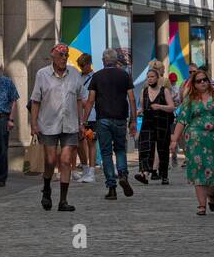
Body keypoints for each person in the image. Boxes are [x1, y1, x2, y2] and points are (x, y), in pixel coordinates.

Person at [30, 42, 84, 212]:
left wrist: (81, 122)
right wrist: (34, 123)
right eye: (61, 55)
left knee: (66, 160)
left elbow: (79, 99)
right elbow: (35, 101)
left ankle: (63, 200)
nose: (64, 58)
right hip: (48, 124)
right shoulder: (42, 74)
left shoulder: (74, 73)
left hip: (70, 124)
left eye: (66, 55)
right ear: (52, 55)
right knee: (50, 161)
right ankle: (46, 189)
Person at [170, 69, 214, 215]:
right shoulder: (190, 99)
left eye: (205, 79)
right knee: (198, 172)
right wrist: (174, 140)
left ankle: (210, 194)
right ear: (194, 84)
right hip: (195, 140)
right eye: (199, 81)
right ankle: (201, 205)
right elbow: (181, 121)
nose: (203, 82)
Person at [85, 48, 138, 200]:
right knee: (120, 150)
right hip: (121, 118)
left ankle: (112, 188)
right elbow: (132, 98)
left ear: (103, 61)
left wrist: (84, 120)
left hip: (103, 119)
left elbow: (90, 100)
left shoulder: (97, 76)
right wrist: (133, 120)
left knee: (106, 153)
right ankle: (123, 175)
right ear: (116, 61)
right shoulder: (124, 75)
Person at [135, 62, 175, 185]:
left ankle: (164, 175)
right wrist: (138, 111)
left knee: (162, 149)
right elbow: (142, 107)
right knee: (145, 148)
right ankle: (145, 174)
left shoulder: (164, 91)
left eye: (152, 77)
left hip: (162, 123)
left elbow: (171, 107)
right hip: (148, 123)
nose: (150, 79)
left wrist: (159, 106)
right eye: (148, 77)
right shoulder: (144, 91)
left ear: (157, 78)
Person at [72, 53, 97, 184]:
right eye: (79, 66)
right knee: (79, 142)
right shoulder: (78, 77)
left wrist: (83, 102)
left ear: (89, 64)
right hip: (78, 115)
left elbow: (91, 99)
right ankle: (85, 169)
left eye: (83, 65)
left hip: (91, 115)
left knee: (91, 142)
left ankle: (92, 171)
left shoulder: (95, 77)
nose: (81, 68)